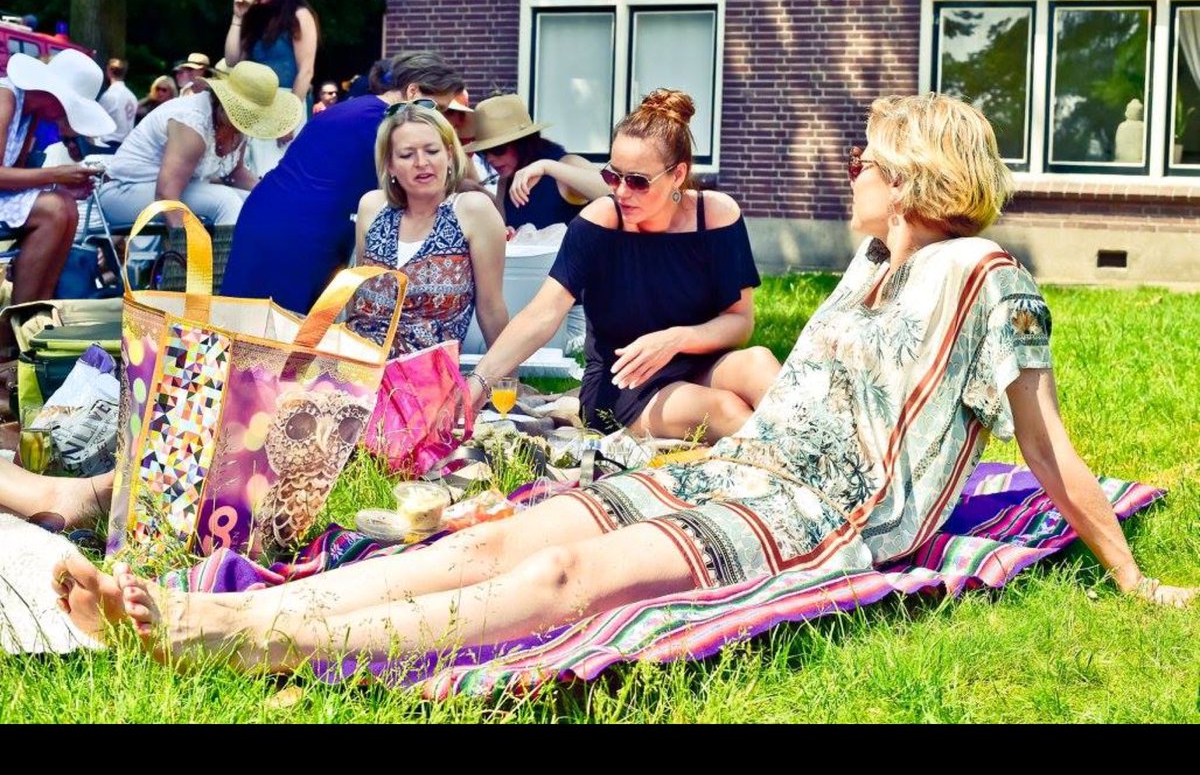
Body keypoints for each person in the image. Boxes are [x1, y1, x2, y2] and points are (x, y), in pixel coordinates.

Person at [52, 93, 1198, 671]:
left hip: (812, 516)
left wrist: (1133, 581)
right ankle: (233, 609)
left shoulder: (989, 278)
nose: (848, 172)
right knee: (493, 537)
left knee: (565, 571)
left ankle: (239, 638)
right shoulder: (869, 262)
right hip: (734, 471)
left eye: (864, 160)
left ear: (913, 180)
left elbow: (1044, 448)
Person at [471, 90, 773, 440]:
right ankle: (803, 479)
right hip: (624, 380)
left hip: (698, 360)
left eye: (637, 181)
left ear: (678, 175)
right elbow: (541, 314)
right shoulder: (599, 223)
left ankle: (830, 466)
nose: (621, 192)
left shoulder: (715, 215)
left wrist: (676, 339)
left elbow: (740, 321)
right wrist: (479, 382)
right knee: (727, 411)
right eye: (613, 176)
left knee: (759, 363)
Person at [220, 51, 465, 315]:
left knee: (242, 326)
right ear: (413, 91)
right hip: (300, 235)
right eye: (436, 108)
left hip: (266, 214)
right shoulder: (386, 125)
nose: (438, 118)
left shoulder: (354, 107)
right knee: (277, 337)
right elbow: (427, 190)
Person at [344, 101, 508, 357]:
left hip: (427, 381)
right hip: (356, 373)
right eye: (407, 155)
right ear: (390, 165)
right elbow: (355, 297)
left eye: (432, 151)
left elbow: (491, 308)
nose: (421, 162)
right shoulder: (372, 206)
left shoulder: (473, 211)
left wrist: (506, 384)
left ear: (450, 155)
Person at [0, 50, 113, 357]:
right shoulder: (6, 99)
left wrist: (61, 185)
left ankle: (33, 325)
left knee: (65, 205)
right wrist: (56, 174)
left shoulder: (29, 112)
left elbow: (16, 176)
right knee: (54, 210)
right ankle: (11, 338)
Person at [95, 61, 302, 228]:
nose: (250, 121)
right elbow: (166, 195)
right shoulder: (192, 123)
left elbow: (235, 173)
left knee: (258, 204)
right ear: (225, 102)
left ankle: (254, 272)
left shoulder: (237, 122)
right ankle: (224, 277)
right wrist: (186, 256)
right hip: (122, 193)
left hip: (169, 191)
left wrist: (274, 194)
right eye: (247, 113)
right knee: (225, 201)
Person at [223, 0, 318, 176]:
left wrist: (288, 119)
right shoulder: (255, 18)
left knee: (278, 172)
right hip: (254, 102)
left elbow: (306, 71)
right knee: (252, 171)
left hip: (286, 101)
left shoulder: (300, 15)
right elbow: (232, 60)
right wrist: (238, 17)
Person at [464, 94, 606, 231]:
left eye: (497, 149)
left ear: (522, 144)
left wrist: (546, 167)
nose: (490, 159)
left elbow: (614, 193)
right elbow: (502, 230)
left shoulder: (566, 164)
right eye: (483, 152)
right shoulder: (505, 181)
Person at [96, 58, 138, 146]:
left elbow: (96, 119)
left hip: (108, 144)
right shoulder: (132, 97)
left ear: (109, 71)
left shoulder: (110, 95)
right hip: (126, 145)